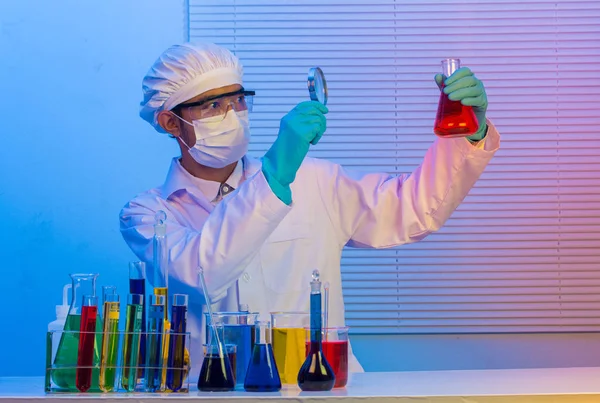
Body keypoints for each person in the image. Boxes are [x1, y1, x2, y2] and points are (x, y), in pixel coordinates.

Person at [120, 42, 500, 377]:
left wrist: (470, 133)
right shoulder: (148, 214)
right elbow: (200, 272)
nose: (233, 114)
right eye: (214, 105)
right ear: (171, 122)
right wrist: (272, 180)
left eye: (238, 100)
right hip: (217, 389)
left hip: (317, 386)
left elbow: (416, 209)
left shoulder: (313, 180)